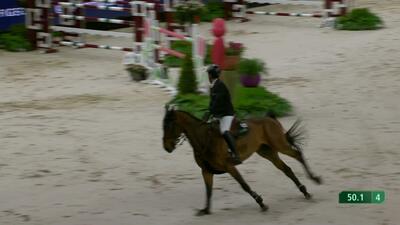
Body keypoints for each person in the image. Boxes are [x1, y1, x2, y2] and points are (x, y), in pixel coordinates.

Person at [206, 64, 241, 164]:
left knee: (224, 131)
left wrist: (211, 112)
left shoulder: (220, 85)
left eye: (208, 74)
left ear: (211, 75)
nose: (208, 77)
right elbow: (212, 102)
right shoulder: (213, 85)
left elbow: (218, 102)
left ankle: (236, 154)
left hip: (227, 113)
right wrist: (208, 111)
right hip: (219, 113)